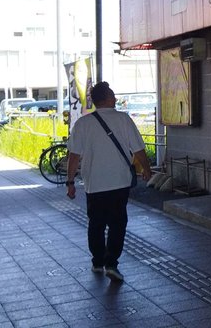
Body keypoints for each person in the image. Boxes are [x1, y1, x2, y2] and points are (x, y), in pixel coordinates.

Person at [65, 81, 152, 283]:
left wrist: (70, 182)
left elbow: (74, 156)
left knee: (96, 223)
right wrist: (146, 169)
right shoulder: (123, 119)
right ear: (107, 98)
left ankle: (97, 261)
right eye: (113, 94)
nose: (115, 98)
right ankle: (111, 263)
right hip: (119, 182)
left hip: (94, 183)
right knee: (117, 223)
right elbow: (138, 149)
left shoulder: (83, 124)